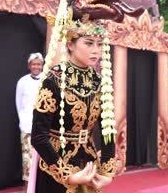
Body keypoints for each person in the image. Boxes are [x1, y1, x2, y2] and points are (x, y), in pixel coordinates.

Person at [31, 15, 117, 192]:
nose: (96, 50)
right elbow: (38, 136)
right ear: (70, 44)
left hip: (88, 164)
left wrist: (108, 173)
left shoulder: (100, 82)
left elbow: (108, 131)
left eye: (99, 44)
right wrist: (67, 175)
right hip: (56, 163)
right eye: (88, 43)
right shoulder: (54, 80)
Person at [15, 53, 44, 190]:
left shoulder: (46, 80)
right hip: (27, 127)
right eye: (34, 64)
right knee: (27, 159)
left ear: (42, 66)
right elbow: (18, 104)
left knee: (42, 159)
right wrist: (24, 120)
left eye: (39, 64)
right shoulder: (22, 81)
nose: (36, 66)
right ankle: (27, 189)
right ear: (29, 66)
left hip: (44, 128)